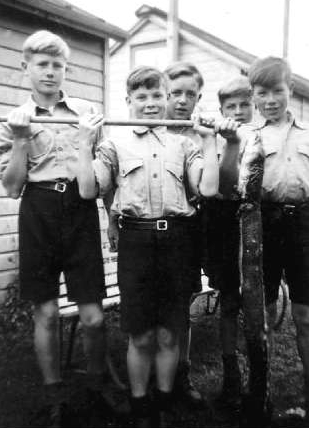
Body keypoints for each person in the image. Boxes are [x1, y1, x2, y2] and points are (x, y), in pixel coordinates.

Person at [77, 65, 220, 428]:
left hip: (177, 241)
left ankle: (165, 398)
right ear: (128, 102)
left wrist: (209, 141)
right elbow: (88, 189)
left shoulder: (184, 143)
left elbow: (206, 189)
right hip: (136, 242)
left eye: (158, 95)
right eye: (141, 97)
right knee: (141, 334)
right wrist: (83, 142)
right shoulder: (114, 144)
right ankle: (141, 405)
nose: (151, 103)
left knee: (171, 331)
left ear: (166, 98)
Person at [0, 30, 110, 426]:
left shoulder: (87, 111)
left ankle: (96, 389)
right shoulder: (14, 120)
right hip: (38, 211)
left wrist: (111, 214)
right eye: (42, 64)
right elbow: (12, 188)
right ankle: (54, 399)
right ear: (25, 67)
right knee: (45, 314)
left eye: (57, 65)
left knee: (94, 317)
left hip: (80, 209)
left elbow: (104, 169)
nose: (50, 72)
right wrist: (19, 139)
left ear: (67, 69)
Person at [222, 56, 309, 422]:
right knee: (261, 314)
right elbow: (229, 188)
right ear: (253, 97)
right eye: (262, 93)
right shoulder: (247, 136)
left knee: (306, 315)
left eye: (277, 91)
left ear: (290, 90)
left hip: (305, 224)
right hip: (262, 226)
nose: (270, 99)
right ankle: (261, 394)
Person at [204, 76, 255, 416]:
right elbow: (224, 181)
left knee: (256, 303)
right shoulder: (220, 137)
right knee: (229, 302)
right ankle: (231, 377)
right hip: (223, 224)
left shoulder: (263, 135)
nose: (237, 111)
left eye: (243, 105)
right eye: (230, 106)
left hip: (256, 223)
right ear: (222, 110)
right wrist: (231, 142)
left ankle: (257, 375)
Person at [163, 61, 204, 406]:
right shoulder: (147, 129)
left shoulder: (201, 134)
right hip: (150, 232)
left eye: (190, 93)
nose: (182, 100)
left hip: (189, 229)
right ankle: (152, 374)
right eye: (175, 92)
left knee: (181, 304)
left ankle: (182, 373)